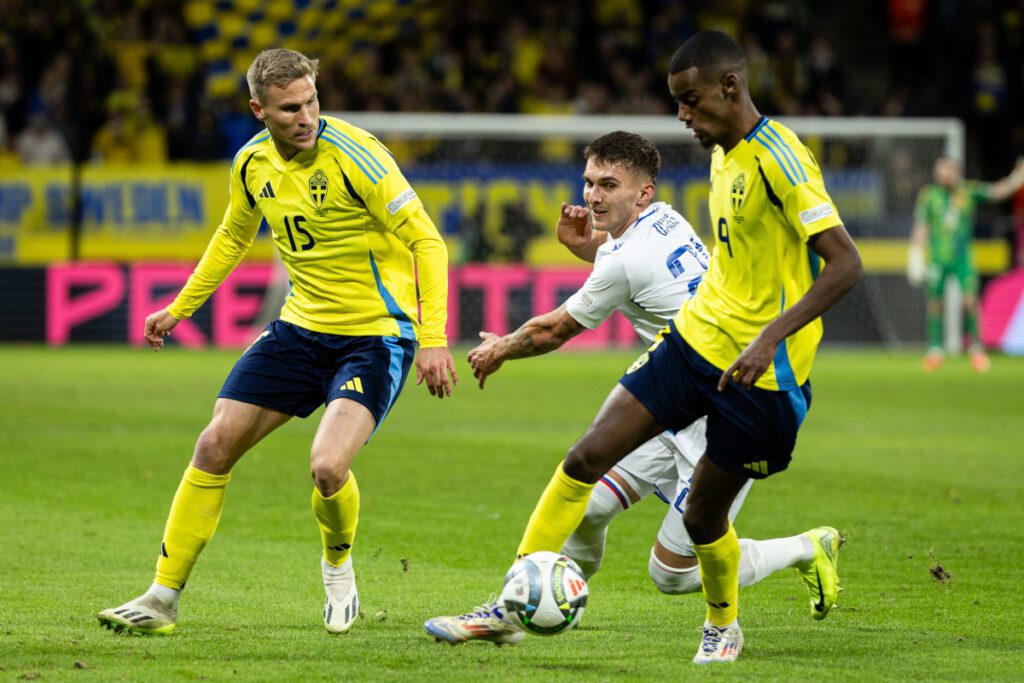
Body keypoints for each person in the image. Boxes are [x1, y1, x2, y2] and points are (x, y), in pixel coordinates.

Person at [425, 71, 861, 663]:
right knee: (588, 497)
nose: (594, 196)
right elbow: (631, 266)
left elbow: (559, 326)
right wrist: (590, 248)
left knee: (673, 573)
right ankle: (523, 604)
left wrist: (500, 347)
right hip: (681, 385)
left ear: (643, 191)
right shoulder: (667, 220)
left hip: (722, 399)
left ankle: (806, 547)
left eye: (609, 184)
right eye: (588, 182)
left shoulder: (630, 252)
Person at [97, 48, 457, 636]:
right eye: (291, 108)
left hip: (375, 337)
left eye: (313, 100)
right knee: (213, 445)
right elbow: (231, 239)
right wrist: (180, 308)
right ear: (258, 110)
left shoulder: (358, 157)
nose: (307, 116)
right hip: (297, 330)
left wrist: (436, 337)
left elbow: (429, 242)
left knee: (326, 467)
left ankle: (338, 567)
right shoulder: (250, 165)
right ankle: (161, 598)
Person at [907, 156, 1024, 372]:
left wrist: (1016, 180)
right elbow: (921, 225)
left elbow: (996, 192)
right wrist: (915, 252)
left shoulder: (968, 191)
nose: (945, 174)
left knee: (970, 301)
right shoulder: (929, 195)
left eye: (949, 170)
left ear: (956, 172)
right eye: (941, 170)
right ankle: (935, 350)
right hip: (938, 258)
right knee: (935, 303)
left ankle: (977, 350)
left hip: (963, 258)